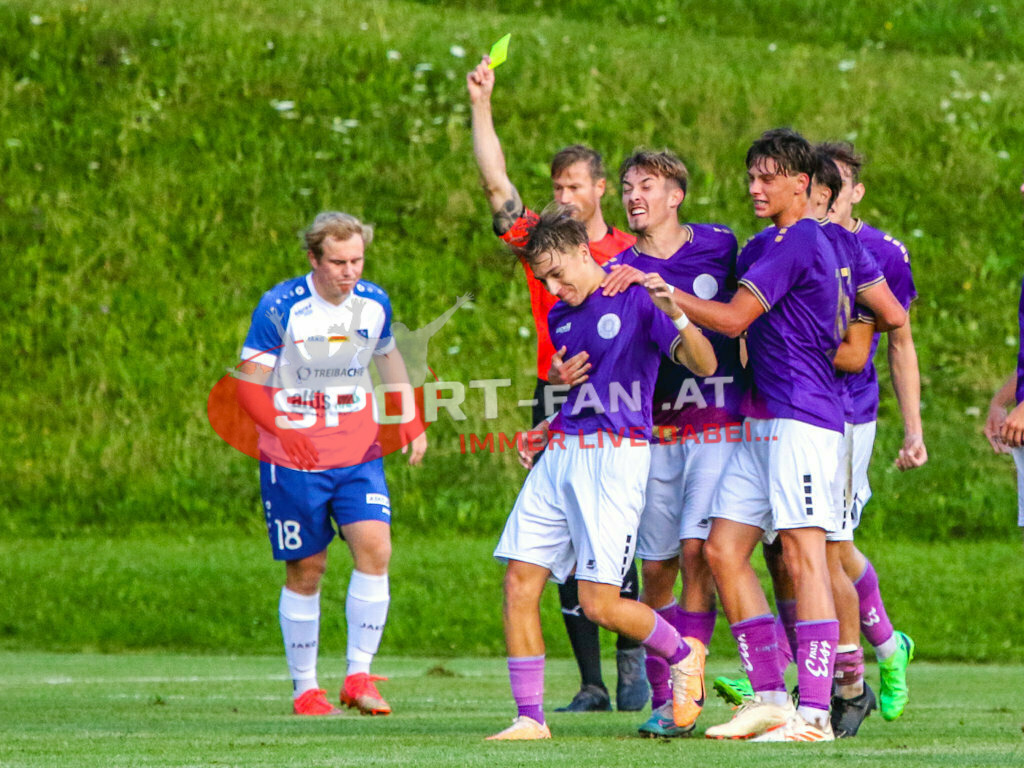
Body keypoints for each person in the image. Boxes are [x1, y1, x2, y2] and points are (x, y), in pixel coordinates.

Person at [652, 128, 853, 742]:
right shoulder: (768, 243)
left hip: (803, 419)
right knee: (721, 550)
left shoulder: (804, 240)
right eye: (751, 176)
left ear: (804, 184)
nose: (755, 187)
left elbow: (738, 317)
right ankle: (769, 695)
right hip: (760, 419)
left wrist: (670, 296)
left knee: (802, 554)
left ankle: (815, 713)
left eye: (769, 177)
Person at [487, 207, 717, 740]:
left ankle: (685, 656)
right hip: (563, 451)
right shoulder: (559, 316)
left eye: (556, 273)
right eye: (542, 279)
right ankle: (530, 719)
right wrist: (546, 419)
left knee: (599, 604)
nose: (552, 286)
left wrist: (677, 313)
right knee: (520, 580)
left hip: (614, 458)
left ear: (580, 251)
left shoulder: (635, 297)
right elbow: (581, 393)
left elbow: (704, 365)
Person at [467, 56, 647, 713]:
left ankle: (641, 669)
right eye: (557, 186)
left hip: (626, 404)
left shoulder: (630, 251)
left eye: (575, 186)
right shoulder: (544, 245)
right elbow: (496, 188)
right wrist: (482, 104)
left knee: (627, 545)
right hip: (558, 395)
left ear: (600, 188)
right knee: (551, 546)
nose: (563, 196)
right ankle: (591, 683)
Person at [235, 211, 427, 716]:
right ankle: (306, 690)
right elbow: (248, 386)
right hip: (293, 451)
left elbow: (387, 357)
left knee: (375, 548)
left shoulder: (374, 301)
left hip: (356, 448)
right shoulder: (280, 307)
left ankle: (358, 676)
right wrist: (282, 431)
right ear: (313, 259)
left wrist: (408, 418)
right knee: (308, 568)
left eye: (357, 260)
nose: (349, 272)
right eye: (338, 262)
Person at [585, 149, 743, 737]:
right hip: (653, 431)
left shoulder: (722, 247)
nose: (633, 197)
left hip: (719, 425)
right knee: (656, 569)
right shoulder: (618, 268)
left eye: (646, 186)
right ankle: (663, 693)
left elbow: (748, 315)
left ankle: (688, 697)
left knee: (700, 552)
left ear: (676, 195)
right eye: (627, 187)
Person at [819, 141, 923, 725]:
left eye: (838, 184)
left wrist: (914, 430)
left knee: (829, 544)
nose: (826, 194)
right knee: (796, 542)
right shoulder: (793, 240)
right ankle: (884, 647)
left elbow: (901, 338)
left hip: (847, 415)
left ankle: (854, 668)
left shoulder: (880, 252)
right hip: (789, 410)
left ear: (855, 192)